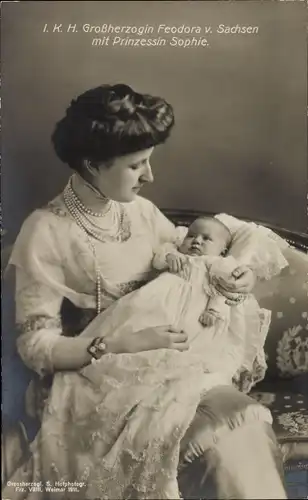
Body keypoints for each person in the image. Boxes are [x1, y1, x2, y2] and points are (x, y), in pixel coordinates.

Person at [3, 83, 288, 499]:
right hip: (92, 383)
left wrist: (239, 269)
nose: (150, 176)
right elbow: (34, 344)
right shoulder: (45, 231)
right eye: (137, 165)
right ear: (93, 164)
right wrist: (117, 343)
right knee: (223, 431)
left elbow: (223, 236)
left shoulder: (140, 213)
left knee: (241, 422)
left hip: (170, 367)